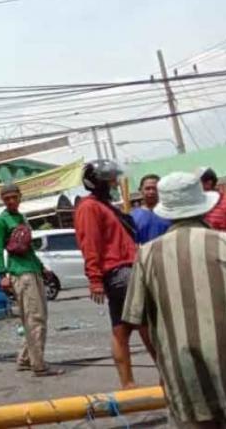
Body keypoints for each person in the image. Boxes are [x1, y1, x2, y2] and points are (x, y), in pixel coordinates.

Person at [122, 172, 226, 428]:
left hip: (184, 381)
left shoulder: (147, 255)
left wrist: (163, 363)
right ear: (205, 205)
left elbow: (138, 320)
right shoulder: (225, 244)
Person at [74, 159, 156, 389]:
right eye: (110, 179)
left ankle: (129, 385)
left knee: (121, 330)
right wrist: (95, 280)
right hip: (121, 273)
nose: (114, 183)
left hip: (124, 271)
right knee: (148, 325)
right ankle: (166, 378)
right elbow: (90, 244)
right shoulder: (89, 207)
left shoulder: (105, 205)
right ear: (97, 182)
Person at [0, 183, 63, 377]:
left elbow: (29, 249)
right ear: (3, 201)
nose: (11, 201)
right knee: (35, 319)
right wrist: (2, 275)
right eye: (7, 199)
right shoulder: (1, 221)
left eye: (14, 197)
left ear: (20, 197)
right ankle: (39, 365)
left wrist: (42, 268)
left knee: (35, 317)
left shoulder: (21, 218)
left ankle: (24, 359)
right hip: (20, 274)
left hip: (33, 271)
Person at [130, 174, 171, 243]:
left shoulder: (170, 213)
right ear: (140, 190)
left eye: (155, 188)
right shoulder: (132, 217)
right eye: (147, 188)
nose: (151, 192)